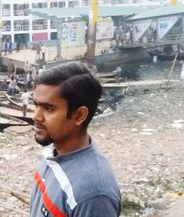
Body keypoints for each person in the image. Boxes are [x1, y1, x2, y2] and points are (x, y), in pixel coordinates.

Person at [30, 62, 121, 216]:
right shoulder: (52, 151)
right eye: (36, 105)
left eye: (48, 108)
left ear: (79, 115)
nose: (36, 116)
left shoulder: (93, 195)